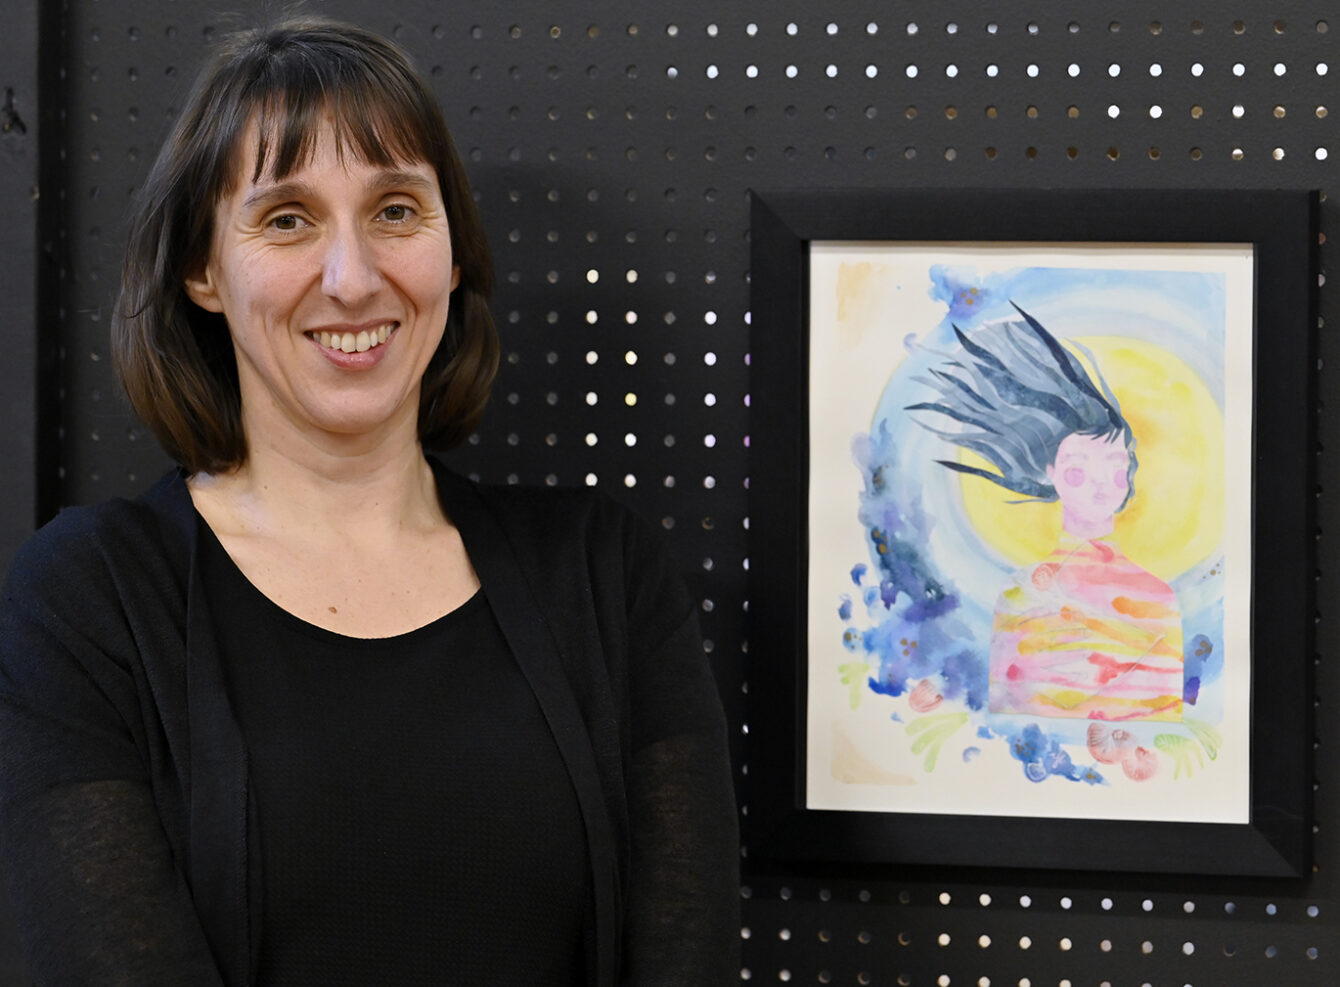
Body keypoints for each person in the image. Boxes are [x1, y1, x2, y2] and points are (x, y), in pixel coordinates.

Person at [0, 18, 738, 985]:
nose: (352, 280)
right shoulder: (85, 604)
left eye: (395, 210)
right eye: (287, 219)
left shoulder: (608, 578)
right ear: (202, 270)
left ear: (453, 252)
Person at [907, 305, 1184, 722]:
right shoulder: (1017, 597)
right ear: (1049, 473)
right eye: (1078, 471)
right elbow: (1008, 715)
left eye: (1114, 468)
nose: (1100, 485)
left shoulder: (1158, 597)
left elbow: (1164, 714)